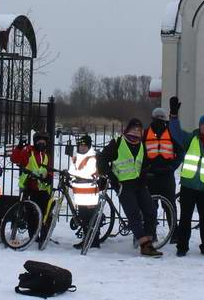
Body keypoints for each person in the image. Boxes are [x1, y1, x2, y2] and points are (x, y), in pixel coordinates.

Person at [97, 118, 163, 257]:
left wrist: (144, 175)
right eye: (133, 128)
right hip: (123, 185)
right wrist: (112, 177)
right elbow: (102, 159)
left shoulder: (141, 144)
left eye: (139, 129)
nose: (136, 132)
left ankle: (149, 242)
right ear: (127, 129)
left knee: (151, 211)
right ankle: (145, 245)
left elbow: (144, 163)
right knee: (133, 214)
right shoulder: (118, 142)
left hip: (139, 184)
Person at [169, 98, 204, 257]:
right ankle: (182, 247)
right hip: (189, 186)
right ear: (200, 126)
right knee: (185, 219)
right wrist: (173, 116)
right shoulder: (191, 139)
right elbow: (175, 133)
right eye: (203, 124)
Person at [143, 108, 182, 233]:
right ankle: (150, 233)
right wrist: (144, 168)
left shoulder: (171, 134)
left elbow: (181, 152)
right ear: (152, 119)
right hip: (150, 176)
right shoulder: (145, 134)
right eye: (156, 119)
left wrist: (172, 167)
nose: (158, 122)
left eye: (161, 120)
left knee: (170, 206)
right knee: (149, 207)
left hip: (167, 175)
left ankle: (174, 233)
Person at [11, 130, 53, 240]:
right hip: (29, 187)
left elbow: (49, 169)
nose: (41, 143)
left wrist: (49, 176)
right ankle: (33, 234)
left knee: (45, 213)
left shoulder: (46, 155)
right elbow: (15, 159)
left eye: (43, 141)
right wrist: (19, 148)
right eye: (39, 141)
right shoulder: (28, 151)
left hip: (43, 188)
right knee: (31, 213)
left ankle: (44, 234)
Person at [69, 134, 101, 250]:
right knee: (84, 218)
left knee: (90, 218)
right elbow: (72, 171)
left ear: (89, 147)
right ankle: (87, 239)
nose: (82, 147)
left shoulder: (92, 158)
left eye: (84, 145)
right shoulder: (77, 158)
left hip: (90, 193)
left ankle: (93, 241)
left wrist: (76, 176)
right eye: (80, 145)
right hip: (80, 193)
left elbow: (86, 173)